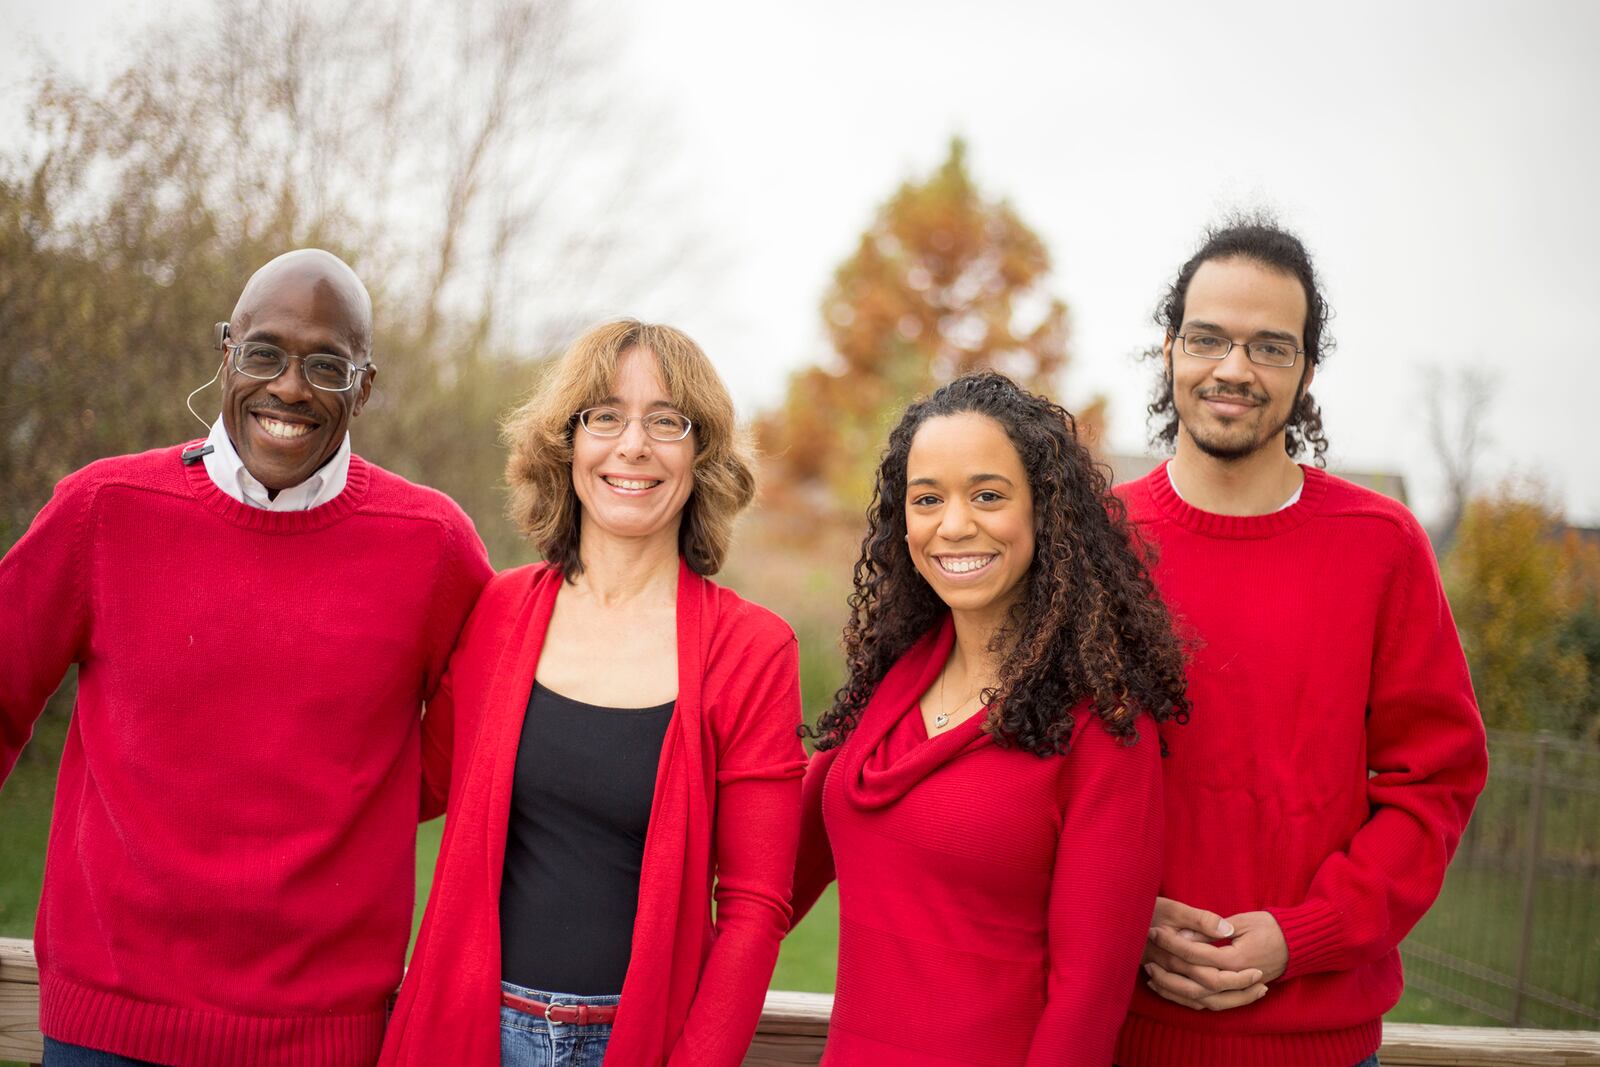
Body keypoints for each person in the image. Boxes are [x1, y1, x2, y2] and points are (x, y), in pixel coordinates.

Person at [0, 249, 492, 1066]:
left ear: (364, 387)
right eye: (264, 353)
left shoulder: (433, 545)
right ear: (227, 354)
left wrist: (360, 794)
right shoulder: (106, 510)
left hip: (323, 1039)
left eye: (326, 365)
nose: (290, 388)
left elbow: (486, 733)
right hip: (104, 1028)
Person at [379, 320, 806, 1067]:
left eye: (666, 420)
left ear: (701, 454)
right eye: (604, 416)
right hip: (475, 1030)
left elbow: (755, 908)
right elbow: (400, 781)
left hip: (636, 1041)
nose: (632, 445)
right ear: (566, 443)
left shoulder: (754, 651)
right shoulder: (495, 613)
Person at [1113, 219, 1489, 1067]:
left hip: (1319, 1046)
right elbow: (1031, 773)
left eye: (1270, 346)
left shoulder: (1382, 547)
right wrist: (1118, 913)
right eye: (1208, 337)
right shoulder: (1098, 541)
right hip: (1115, 1032)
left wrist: (1303, 935)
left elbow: (1435, 782)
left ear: (1307, 370)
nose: (1233, 368)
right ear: (1169, 349)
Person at [789, 372, 1191, 1067]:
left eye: (987, 495)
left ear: (1045, 511)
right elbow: (764, 878)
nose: (953, 524)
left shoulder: (1103, 725)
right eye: (927, 499)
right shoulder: (890, 687)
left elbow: (1087, 999)